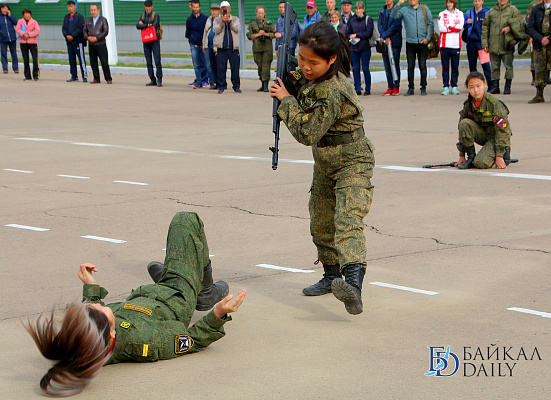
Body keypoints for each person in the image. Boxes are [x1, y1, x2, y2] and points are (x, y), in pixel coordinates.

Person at [25, 212, 244, 397]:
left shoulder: (90, 345)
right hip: (176, 294)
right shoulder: (146, 342)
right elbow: (192, 341)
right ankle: (203, 290)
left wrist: (91, 286)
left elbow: (89, 327)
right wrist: (217, 315)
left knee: (176, 259)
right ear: (112, 334)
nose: (98, 304)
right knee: (185, 221)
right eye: (100, 308)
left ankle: (176, 272)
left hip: (149, 294)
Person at [271, 22, 375, 315]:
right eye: (301, 58)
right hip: (326, 160)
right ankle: (332, 277)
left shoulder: (334, 89)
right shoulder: (314, 74)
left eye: (312, 62)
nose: (304, 66)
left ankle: (353, 284)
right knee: (320, 220)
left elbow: (307, 133)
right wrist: (287, 80)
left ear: (331, 60)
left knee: (347, 218)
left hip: (353, 160)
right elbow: (298, 81)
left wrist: (286, 101)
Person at [456, 71, 512, 170]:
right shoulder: (468, 104)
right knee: (464, 123)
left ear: (485, 85)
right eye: (471, 87)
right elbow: (462, 132)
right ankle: (471, 157)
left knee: (481, 163)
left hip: (495, 138)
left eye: (478, 86)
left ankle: (504, 151)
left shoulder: (494, 104)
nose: (475, 90)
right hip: (483, 135)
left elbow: (503, 131)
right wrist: (462, 155)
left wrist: (499, 156)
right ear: (468, 88)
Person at [391, 0, 434, 96]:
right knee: (410, 66)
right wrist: (398, 3)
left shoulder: (424, 9)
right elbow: (393, 15)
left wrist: (427, 38)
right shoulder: (405, 10)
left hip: (422, 42)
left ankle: (423, 87)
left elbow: (431, 23)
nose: (411, 0)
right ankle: (411, 88)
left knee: (422, 65)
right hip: (410, 42)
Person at [527, 0, 551, 103]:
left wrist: (550, 38)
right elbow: (530, 27)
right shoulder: (536, 8)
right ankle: (539, 94)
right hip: (540, 44)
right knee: (539, 69)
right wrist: (540, 39)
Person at [481, 0, 521, 95]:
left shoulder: (513, 10)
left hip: (506, 44)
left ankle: (507, 86)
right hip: (494, 45)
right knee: (494, 67)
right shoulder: (491, 12)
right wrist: (485, 43)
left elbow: (520, 23)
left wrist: (510, 28)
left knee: (508, 67)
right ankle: (495, 86)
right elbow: (485, 27)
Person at [213, 1, 241, 94]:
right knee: (221, 69)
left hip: (233, 48)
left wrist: (229, 22)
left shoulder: (235, 18)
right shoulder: (217, 19)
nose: (225, 10)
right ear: (221, 10)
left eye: (226, 8)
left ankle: (236, 86)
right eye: (223, 8)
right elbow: (215, 30)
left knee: (235, 68)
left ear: (230, 9)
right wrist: (222, 22)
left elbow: (238, 29)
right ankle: (221, 86)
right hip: (221, 48)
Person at [347, 1, 374, 95]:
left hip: (365, 47)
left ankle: (368, 88)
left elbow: (368, 33)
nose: (358, 11)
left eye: (360, 9)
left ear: (363, 9)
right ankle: (357, 88)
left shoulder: (368, 19)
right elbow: (348, 32)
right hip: (354, 48)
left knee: (365, 68)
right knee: (355, 69)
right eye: (357, 9)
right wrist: (350, 36)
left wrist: (357, 35)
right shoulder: (352, 20)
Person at [463, 0, 492, 87]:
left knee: (485, 65)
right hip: (471, 42)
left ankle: (490, 85)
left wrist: (487, 42)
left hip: (481, 43)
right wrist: (467, 22)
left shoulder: (487, 12)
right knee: (472, 66)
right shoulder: (469, 12)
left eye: (479, 1)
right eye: (475, 1)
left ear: (482, 1)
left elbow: (490, 27)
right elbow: (464, 25)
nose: (477, 3)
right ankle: (472, 84)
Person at [247, 5, 276, 92]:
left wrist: (265, 34)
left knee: (266, 67)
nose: (260, 15)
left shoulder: (269, 22)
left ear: (264, 14)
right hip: (257, 49)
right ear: (256, 13)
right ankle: (262, 83)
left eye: (262, 13)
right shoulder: (252, 23)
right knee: (260, 66)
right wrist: (258, 34)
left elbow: (274, 34)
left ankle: (266, 85)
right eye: (259, 13)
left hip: (267, 48)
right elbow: (249, 35)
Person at [438, 0, 464, 95]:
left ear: (454, 3)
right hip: (444, 44)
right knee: (445, 67)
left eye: (451, 2)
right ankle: (445, 86)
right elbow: (441, 28)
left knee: (455, 67)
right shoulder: (442, 14)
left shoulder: (460, 13)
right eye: (448, 3)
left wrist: (448, 26)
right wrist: (453, 27)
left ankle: (454, 86)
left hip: (455, 44)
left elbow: (460, 27)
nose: (449, 4)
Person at [378, 0, 403, 96]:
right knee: (387, 65)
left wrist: (385, 36)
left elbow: (395, 25)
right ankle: (390, 86)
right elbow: (379, 25)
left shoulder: (398, 10)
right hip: (385, 41)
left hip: (395, 41)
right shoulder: (381, 11)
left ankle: (396, 87)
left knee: (395, 64)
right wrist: (384, 37)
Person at [83, 4, 112, 84]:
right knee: (93, 62)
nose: (93, 12)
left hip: (100, 43)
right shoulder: (88, 20)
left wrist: (97, 38)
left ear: (98, 10)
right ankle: (96, 78)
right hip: (91, 44)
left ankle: (108, 78)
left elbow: (105, 31)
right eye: (91, 10)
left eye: (94, 10)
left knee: (104, 61)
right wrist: (88, 37)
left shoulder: (103, 20)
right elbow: (84, 30)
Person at [136, 0, 162, 87]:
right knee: (148, 61)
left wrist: (144, 25)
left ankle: (159, 79)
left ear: (152, 6)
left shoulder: (155, 15)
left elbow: (154, 25)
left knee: (157, 60)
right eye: (146, 6)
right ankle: (152, 79)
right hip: (146, 40)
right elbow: (138, 26)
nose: (147, 8)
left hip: (154, 40)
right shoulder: (142, 16)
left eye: (149, 6)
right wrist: (147, 25)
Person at [62, 1, 87, 83]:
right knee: (71, 59)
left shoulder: (79, 17)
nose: (70, 8)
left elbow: (80, 29)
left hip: (77, 41)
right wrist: (66, 35)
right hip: (69, 42)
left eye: (72, 6)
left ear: (75, 6)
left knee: (81, 59)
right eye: (68, 6)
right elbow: (64, 28)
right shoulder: (66, 17)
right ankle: (74, 76)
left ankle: (84, 76)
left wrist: (72, 36)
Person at [186, 0, 208, 89]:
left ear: (199, 7)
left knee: (205, 63)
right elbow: (188, 33)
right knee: (196, 64)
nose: (195, 9)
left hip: (203, 45)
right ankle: (198, 81)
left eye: (197, 7)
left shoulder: (205, 18)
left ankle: (205, 80)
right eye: (194, 7)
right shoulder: (189, 19)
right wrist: (191, 41)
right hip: (194, 45)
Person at [275, 0, 301, 71]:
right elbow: (277, 36)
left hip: (290, 46)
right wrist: (276, 48)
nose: (281, 9)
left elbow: (293, 33)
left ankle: (294, 81)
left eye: (283, 7)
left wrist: (281, 35)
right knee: (283, 67)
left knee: (291, 66)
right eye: (280, 7)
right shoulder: (278, 20)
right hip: (281, 47)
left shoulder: (292, 19)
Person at [16, 9, 39, 81]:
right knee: (25, 59)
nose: (27, 15)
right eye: (25, 14)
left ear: (30, 15)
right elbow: (17, 29)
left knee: (35, 59)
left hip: (32, 42)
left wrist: (29, 34)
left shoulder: (34, 22)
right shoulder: (20, 21)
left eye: (28, 14)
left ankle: (35, 75)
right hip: (23, 42)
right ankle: (27, 75)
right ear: (23, 15)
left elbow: (37, 31)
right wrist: (23, 34)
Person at [203, 4, 220, 89]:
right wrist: (204, 45)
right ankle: (213, 82)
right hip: (209, 46)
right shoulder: (209, 20)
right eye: (212, 10)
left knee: (218, 65)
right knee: (211, 65)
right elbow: (205, 32)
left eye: (216, 10)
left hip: (217, 46)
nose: (214, 12)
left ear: (219, 11)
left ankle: (220, 82)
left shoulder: (221, 20)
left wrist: (216, 47)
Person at [526, 0, 543, 85]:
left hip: (546, 35)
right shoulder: (532, 5)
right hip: (535, 35)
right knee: (534, 57)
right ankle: (534, 77)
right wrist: (530, 36)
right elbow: (529, 21)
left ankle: (546, 77)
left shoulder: (549, 3)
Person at [0, 4, 18, 74]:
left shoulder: (10, 16)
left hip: (12, 38)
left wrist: (10, 15)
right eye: (3, 8)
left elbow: (16, 23)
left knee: (14, 53)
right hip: (2, 39)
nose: (5, 10)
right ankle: (5, 68)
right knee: (3, 53)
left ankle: (15, 68)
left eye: (6, 8)